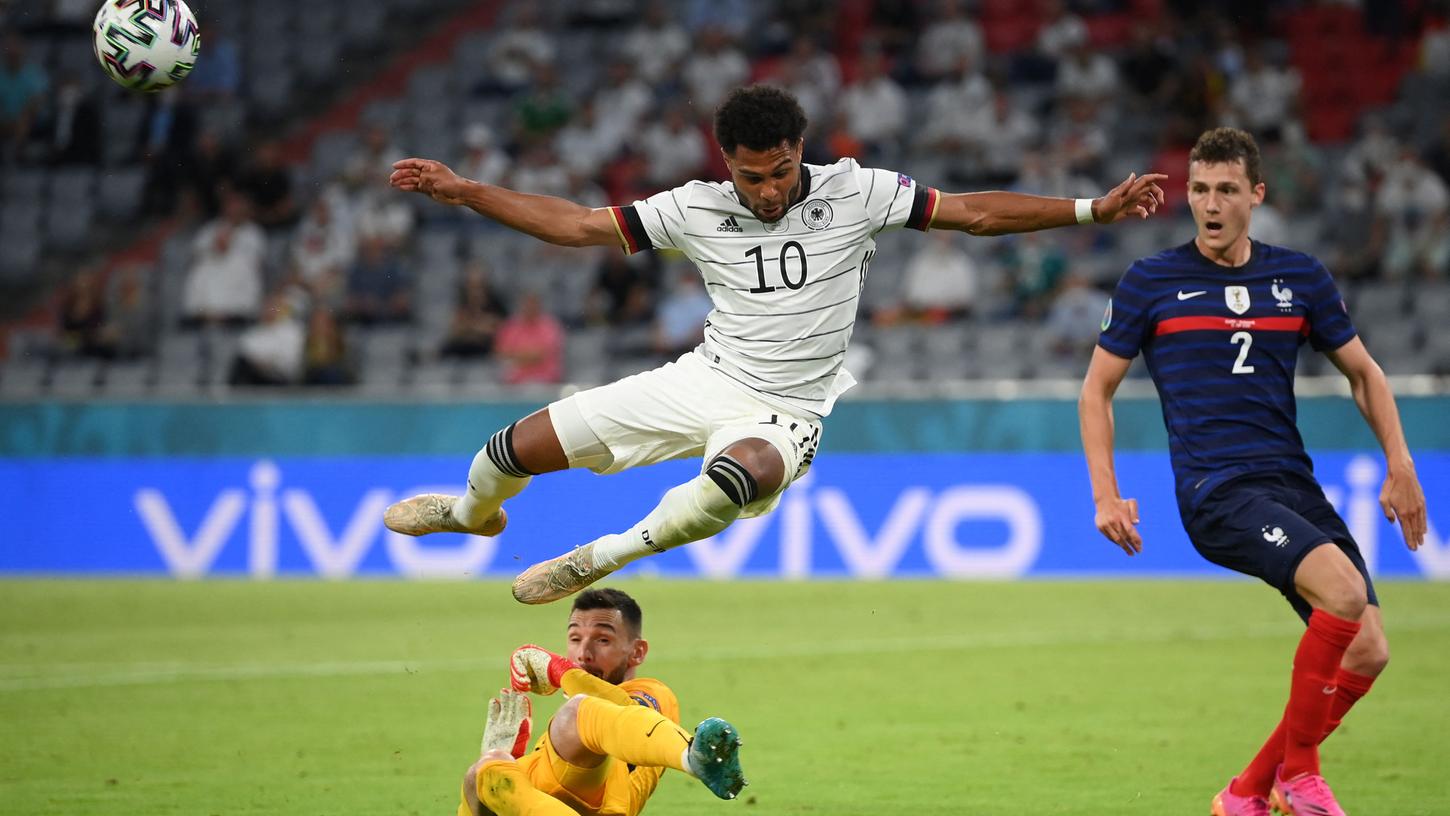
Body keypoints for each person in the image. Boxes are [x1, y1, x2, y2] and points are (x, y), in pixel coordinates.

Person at [384, 84, 1165, 605]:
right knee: (511, 450)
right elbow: (579, 227)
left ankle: (601, 557)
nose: (768, 191)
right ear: (728, 164)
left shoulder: (858, 192)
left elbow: (977, 213)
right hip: (703, 377)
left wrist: (1094, 207)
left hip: (787, 410)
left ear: (801, 149)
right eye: (752, 176)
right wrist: (467, 191)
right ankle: (470, 513)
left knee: (741, 474)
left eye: (781, 171)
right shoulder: (693, 207)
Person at [1078, 128, 1428, 816]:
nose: (1210, 205)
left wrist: (1401, 462)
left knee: (1369, 651)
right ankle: (1298, 776)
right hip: (1217, 490)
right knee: (1345, 591)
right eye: (1200, 190)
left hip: (1290, 484)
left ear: (1256, 196)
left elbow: (1364, 373)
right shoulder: (1152, 281)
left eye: (1226, 191)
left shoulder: (1299, 278)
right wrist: (1106, 493)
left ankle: (1245, 793)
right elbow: (1096, 391)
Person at [459, 588, 745, 815]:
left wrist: (561, 672)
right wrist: (512, 766)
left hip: (602, 799)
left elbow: (624, 714)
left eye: (602, 640)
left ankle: (694, 759)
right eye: (575, 638)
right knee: (480, 774)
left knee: (574, 714)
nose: (583, 653)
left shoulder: (654, 696)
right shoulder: (574, 719)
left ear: (637, 652)